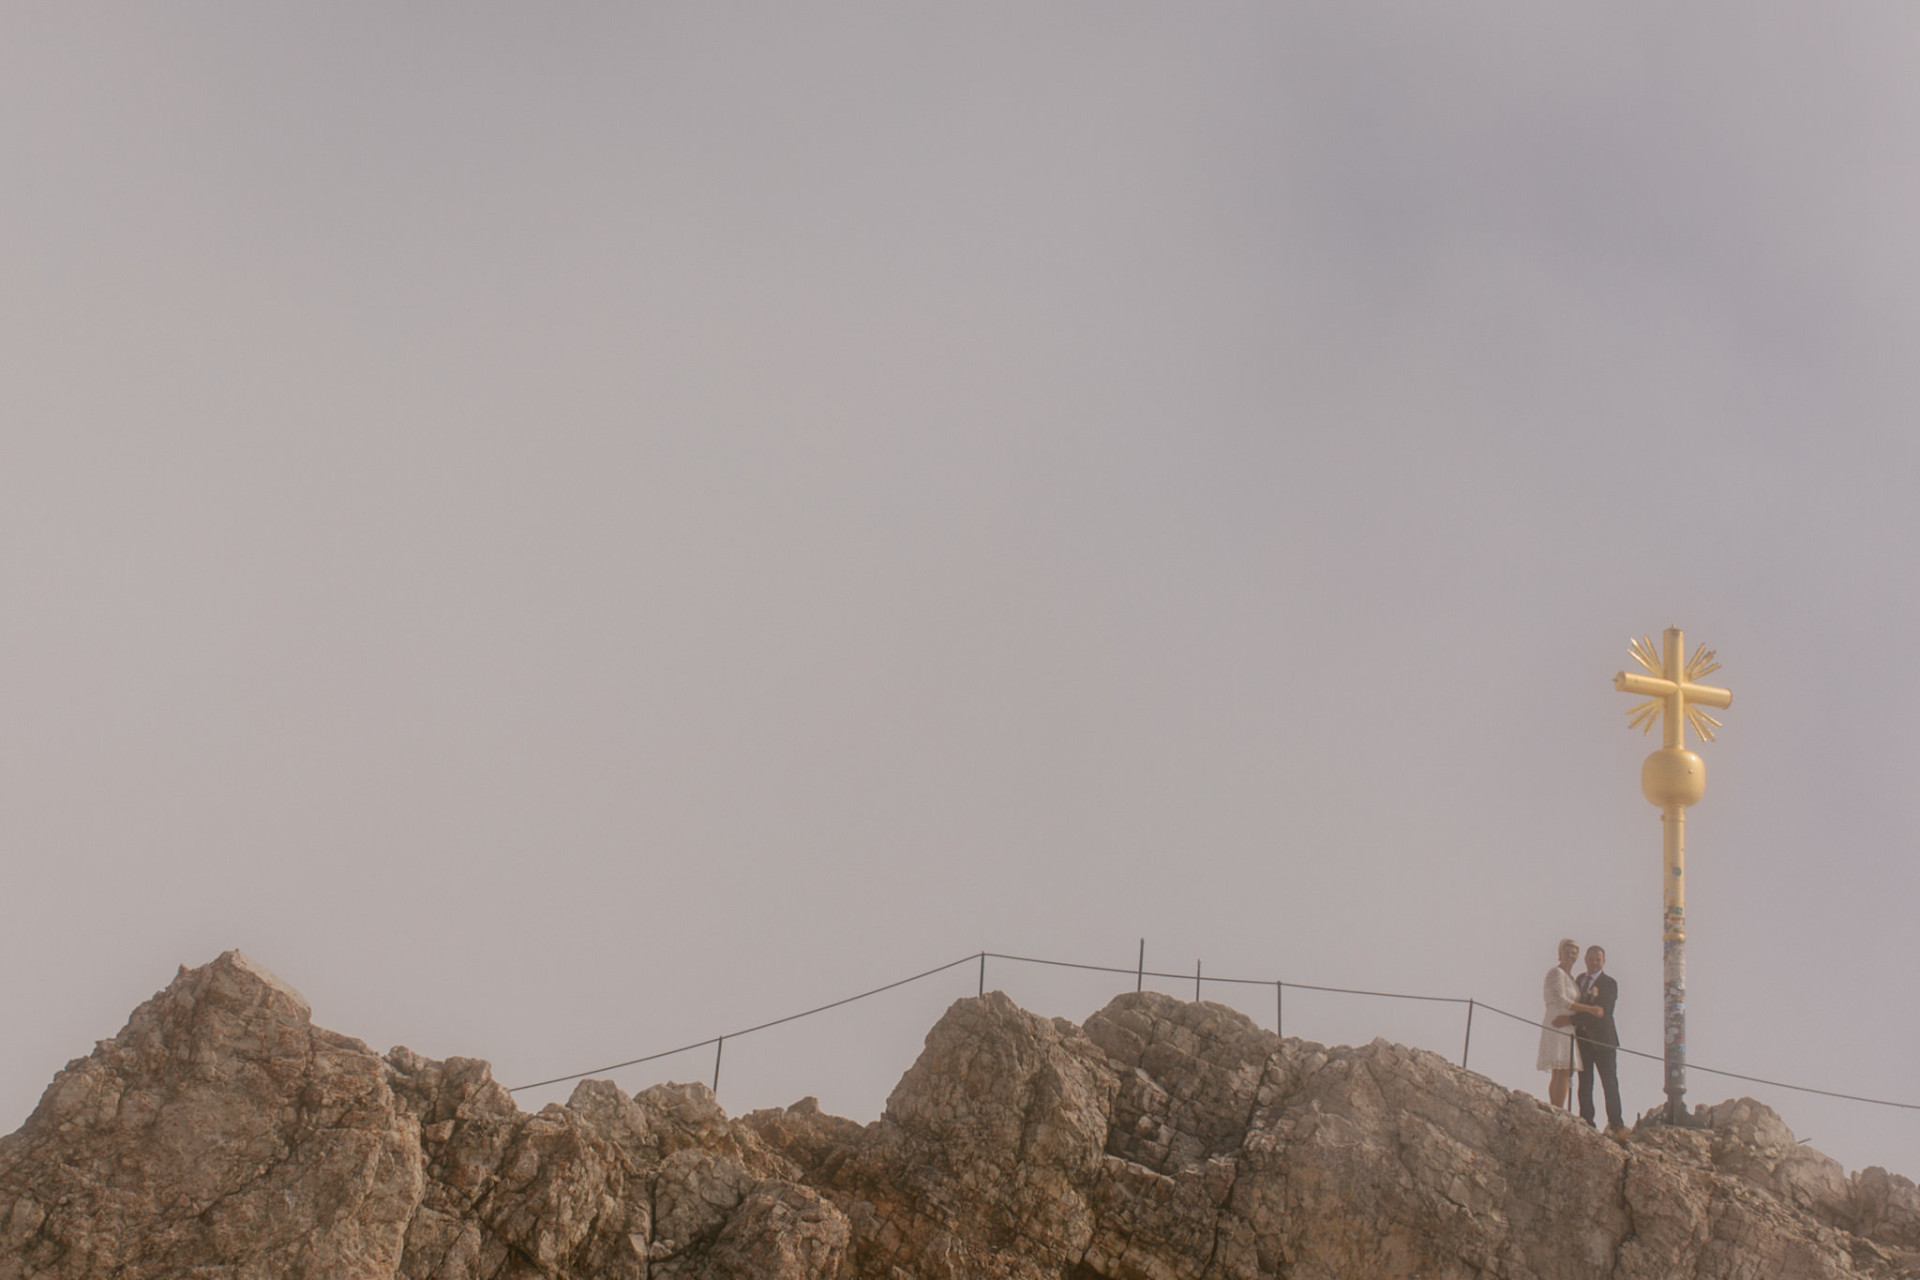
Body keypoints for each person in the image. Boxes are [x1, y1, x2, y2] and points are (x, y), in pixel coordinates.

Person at [1571, 944, 1625, 1133]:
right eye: (1591, 959)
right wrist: (1581, 1016)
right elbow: (1573, 1005)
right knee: (1584, 1083)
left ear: (1603, 962)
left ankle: (1616, 1122)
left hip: (1603, 1040)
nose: (1594, 963)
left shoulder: (1609, 983)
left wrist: (1580, 1016)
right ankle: (1587, 1120)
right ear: (1586, 960)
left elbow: (1604, 1010)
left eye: (1598, 960)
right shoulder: (1579, 980)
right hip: (1583, 1039)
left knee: (1609, 1083)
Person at [1537, 938, 1581, 1109]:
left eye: (1573, 953)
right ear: (1560, 954)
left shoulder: (1571, 977)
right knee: (1562, 1067)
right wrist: (1590, 1009)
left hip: (1567, 1023)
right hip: (1557, 1020)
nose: (1570, 956)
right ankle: (1558, 1107)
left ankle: (1556, 1106)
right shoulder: (1556, 973)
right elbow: (1561, 999)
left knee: (1562, 1069)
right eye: (1567, 953)